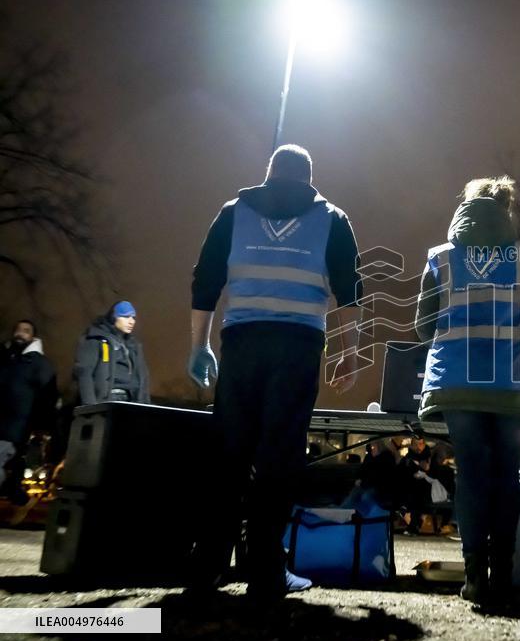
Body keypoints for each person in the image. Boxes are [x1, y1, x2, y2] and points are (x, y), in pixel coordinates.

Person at [187, 144, 362, 603]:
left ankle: (207, 565)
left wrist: (199, 345)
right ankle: (265, 569)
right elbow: (349, 291)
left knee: (229, 452)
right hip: (299, 347)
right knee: (279, 457)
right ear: (308, 178)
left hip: (242, 343)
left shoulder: (232, 212)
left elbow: (205, 279)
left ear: (268, 174)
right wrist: (351, 352)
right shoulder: (332, 219)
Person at [414, 175, 520, 604]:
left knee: (473, 477)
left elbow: (423, 327)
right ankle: (503, 575)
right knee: (505, 477)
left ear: (466, 208)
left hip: (457, 384)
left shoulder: (440, 259)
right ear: (505, 212)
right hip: (511, 384)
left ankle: (475, 576)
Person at [0, 320, 57, 504]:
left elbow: (48, 396)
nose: (20, 334)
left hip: (16, 427)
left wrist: (42, 426)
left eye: (25, 331)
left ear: (33, 337)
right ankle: (14, 491)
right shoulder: (6, 359)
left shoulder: (39, 364)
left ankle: (14, 490)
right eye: (17, 330)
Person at [73, 302, 150, 405]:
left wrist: (145, 406)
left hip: (131, 401)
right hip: (107, 400)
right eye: (126, 316)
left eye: (133, 318)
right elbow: (84, 373)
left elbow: (143, 377)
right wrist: (90, 407)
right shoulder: (97, 339)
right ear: (114, 317)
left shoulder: (133, 346)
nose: (131, 321)